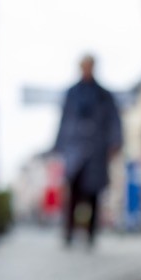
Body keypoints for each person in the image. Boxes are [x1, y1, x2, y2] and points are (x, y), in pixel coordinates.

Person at [54, 54, 122, 247]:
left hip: (96, 149)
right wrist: (59, 147)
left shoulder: (104, 95)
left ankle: (91, 234)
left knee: (93, 194)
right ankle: (68, 232)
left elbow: (114, 121)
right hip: (75, 149)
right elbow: (64, 121)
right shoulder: (71, 93)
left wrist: (115, 142)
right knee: (73, 192)